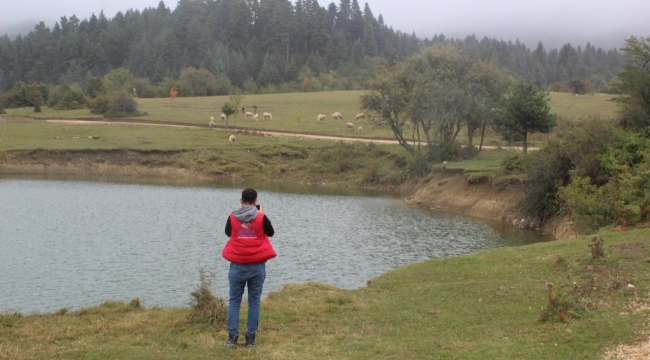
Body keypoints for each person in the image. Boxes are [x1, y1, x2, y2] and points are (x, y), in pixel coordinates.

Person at [222, 188, 276, 349]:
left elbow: (227, 233)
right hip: (257, 266)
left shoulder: (232, 217)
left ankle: (232, 338)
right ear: (256, 201)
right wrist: (262, 214)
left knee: (234, 301)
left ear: (241, 200)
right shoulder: (261, 217)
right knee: (253, 302)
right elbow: (271, 233)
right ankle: (250, 339)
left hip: (237, 265)